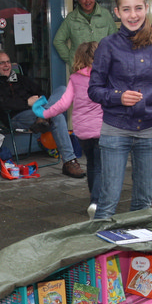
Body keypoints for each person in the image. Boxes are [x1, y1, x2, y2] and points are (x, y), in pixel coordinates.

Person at [88, 0, 152, 220]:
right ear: (117, 12)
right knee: (108, 202)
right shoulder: (108, 45)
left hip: (148, 131)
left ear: (146, 8)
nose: (133, 15)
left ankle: (136, 243)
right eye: (126, 9)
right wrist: (119, 97)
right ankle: (99, 243)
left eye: (138, 8)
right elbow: (94, 90)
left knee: (143, 202)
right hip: (115, 130)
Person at [0, 50, 85, 178]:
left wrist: (39, 101)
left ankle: (43, 117)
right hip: (15, 116)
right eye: (1, 63)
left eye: (8, 62)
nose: (6, 65)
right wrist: (27, 102)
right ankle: (69, 161)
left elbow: (41, 92)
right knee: (57, 116)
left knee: (63, 90)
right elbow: (2, 104)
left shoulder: (20, 78)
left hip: (37, 111)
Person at [33, 41, 102, 219]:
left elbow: (63, 104)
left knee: (92, 164)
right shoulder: (104, 76)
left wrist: (45, 113)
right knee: (101, 166)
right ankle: (98, 201)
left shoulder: (75, 78)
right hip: (102, 129)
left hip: (82, 131)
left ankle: (93, 200)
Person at [53, 0, 117, 71]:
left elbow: (115, 39)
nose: (87, 1)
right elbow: (58, 41)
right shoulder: (71, 18)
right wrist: (72, 60)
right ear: (79, 0)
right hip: (80, 69)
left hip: (103, 66)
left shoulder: (105, 15)